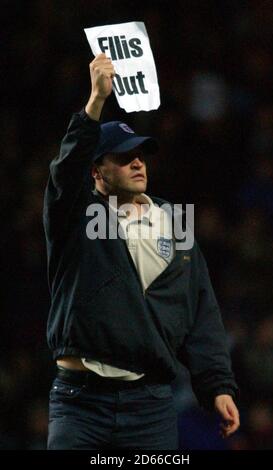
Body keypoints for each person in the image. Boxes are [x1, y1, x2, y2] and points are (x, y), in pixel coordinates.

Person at [43, 53, 240, 450]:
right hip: (80, 404)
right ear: (97, 172)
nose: (137, 162)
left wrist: (216, 385)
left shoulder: (175, 218)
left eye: (140, 155)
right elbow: (66, 172)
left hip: (150, 406)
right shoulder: (76, 216)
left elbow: (199, 308)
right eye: (123, 156)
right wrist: (95, 102)